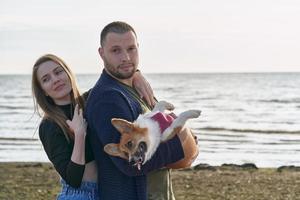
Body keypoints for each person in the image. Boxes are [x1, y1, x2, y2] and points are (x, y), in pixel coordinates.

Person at [85, 21, 190, 200]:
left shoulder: (134, 87)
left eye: (131, 49)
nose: (126, 57)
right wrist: (185, 144)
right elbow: (129, 163)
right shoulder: (108, 98)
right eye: (116, 50)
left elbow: (158, 127)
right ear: (102, 53)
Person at [32, 54, 155, 199]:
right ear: (43, 91)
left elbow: (111, 82)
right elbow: (73, 179)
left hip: (107, 190)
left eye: (58, 72)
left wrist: (136, 75)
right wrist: (79, 134)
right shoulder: (49, 125)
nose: (55, 79)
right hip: (79, 195)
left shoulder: (90, 101)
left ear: (68, 73)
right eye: (46, 79)